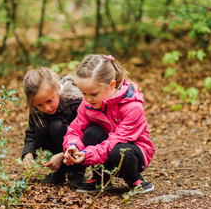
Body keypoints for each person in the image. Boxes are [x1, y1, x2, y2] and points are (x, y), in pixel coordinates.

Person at [63, 54, 155, 194]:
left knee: (120, 151)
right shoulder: (88, 104)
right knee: (90, 133)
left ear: (111, 85)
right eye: (84, 94)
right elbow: (75, 130)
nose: (88, 99)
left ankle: (134, 179)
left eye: (93, 94)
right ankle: (100, 179)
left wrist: (87, 154)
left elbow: (116, 141)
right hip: (105, 149)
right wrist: (73, 146)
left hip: (133, 151)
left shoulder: (133, 107)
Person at [22, 67, 86, 187]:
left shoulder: (75, 101)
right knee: (41, 126)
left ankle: (76, 171)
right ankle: (60, 170)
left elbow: (84, 134)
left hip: (77, 148)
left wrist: (64, 155)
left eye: (49, 101)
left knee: (57, 126)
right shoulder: (36, 105)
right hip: (58, 151)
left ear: (57, 88)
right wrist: (29, 152)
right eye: (39, 104)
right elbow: (31, 131)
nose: (47, 108)